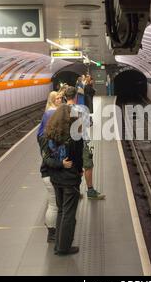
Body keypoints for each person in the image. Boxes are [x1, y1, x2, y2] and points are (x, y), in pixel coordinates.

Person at [40, 104, 84, 255]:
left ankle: (58, 244)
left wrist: (59, 164)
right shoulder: (75, 136)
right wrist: (79, 171)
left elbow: (46, 158)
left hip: (55, 178)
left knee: (61, 211)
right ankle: (64, 247)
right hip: (70, 179)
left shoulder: (49, 135)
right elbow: (78, 159)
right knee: (69, 214)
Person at [64, 86, 105, 200]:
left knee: (72, 166)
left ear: (65, 97)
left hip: (66, 143)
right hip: (81, 141)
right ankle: (90, 191)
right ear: (76, 96)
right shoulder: (82, 109)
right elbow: (87, 124)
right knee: (88, 165)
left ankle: (74, 192)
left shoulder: (61, 109)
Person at [37, 91, 63, 242]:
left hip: (48, 171)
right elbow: (48, 160)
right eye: (58, 98)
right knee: (53, 204)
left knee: (53, 202)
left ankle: (53, 229)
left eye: (61, 97)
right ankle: (51, 233)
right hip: (49, 173)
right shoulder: (50, 141)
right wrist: (61, 164)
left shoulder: (45, 137)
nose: (60, 100)